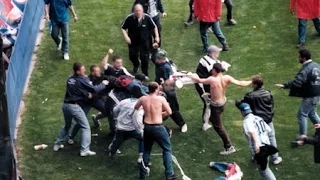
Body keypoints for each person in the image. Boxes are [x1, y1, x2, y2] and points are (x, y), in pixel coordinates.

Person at [189, 63, 252, 155]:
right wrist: (251, 81)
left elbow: (199, 80)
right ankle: (208, 121)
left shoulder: (212, 79)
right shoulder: (227, 77)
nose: (211, 71)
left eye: (212, 69)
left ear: (214, 70)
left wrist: (190, 75)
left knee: (218, 126)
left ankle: (229, 146)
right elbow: (240, 83)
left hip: (216, 106)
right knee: (211, 116)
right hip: (222, 103)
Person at [53, 63, 108, 156]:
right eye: (83, 69)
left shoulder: (70, 78)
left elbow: (80, 89)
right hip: (74, 106)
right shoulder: (81, 80)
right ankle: (84, 150)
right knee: (86, 127)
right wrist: (103, 84)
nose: (85, 71)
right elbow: (94, 89)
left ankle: (57, 144)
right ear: (78, 71)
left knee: (67, 125)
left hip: (65, 105)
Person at [275, 49, 320, 144]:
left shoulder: (306, 69)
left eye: (299, 56)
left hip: (310, 96)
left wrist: (285, 85)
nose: (298, 58)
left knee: (302, 114)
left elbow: (298, 81)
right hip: (317, 94)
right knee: (311, 113)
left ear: (303, 58)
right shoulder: (317, 65)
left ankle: (302, 138)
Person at [134, 82, 177, 180]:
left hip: (147, 127)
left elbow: (136, 107)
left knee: (147, 150)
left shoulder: (143, 98)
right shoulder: (161, 99)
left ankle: (142, 174)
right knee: (166, 149)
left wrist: (146, 110)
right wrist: (159, 114)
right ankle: (169, 174)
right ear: (157, 89)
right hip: (158, 127)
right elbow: (169, 112)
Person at [241, 75, 283, 165]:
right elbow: (271, 105)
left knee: (255, 141)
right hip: (268, 119)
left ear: (255, 84)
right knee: (271, 137)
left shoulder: (249, 96)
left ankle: (256, 157)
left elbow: (246, 108)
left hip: (256, 122)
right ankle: (275, 158)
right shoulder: (268, 92)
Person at [236, 102, 277, 180]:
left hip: (260, 149)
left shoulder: (247, 121)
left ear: (242, 112)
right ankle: (256, 160)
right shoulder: (258, 118)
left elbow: (252, 131)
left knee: (264, 171)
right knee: (263, 165)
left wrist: (256, 144)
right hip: (266, 145)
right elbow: (268, 130)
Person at [195, 45, 230, 131]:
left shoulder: (206, 58)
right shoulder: (210, 63)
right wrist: (224, 68)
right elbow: (215, 72)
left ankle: (208, 119)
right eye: (217, 52)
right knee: (208, 104)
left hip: (205, 84)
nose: (219, 53)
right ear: (213, 53)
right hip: (203, 87)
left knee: (208, 104)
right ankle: (205, 123)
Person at [121, 4, 160, 78]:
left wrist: (157, 37)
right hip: (133, 42)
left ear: (142, 11)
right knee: (132, 56)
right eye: (136, 11)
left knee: (145, 59)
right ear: (134, 11)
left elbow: (154, 27)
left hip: (145, 43)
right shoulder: (129, 18)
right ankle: (136, 64)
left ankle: (145, 74)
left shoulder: (147, 18)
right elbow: (122, 28)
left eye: (140, 11)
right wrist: (126, 37)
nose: (138, 12)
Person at [109, 98, 144, 163]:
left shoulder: (124, 101)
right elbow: (138, 119)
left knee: (118, 141)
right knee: (143, 138)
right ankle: (141, 156)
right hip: (132, 129)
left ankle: (112, 153)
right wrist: (140, 129)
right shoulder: (139, 104)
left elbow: (115, 110)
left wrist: (118, 117)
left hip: (121, 127)